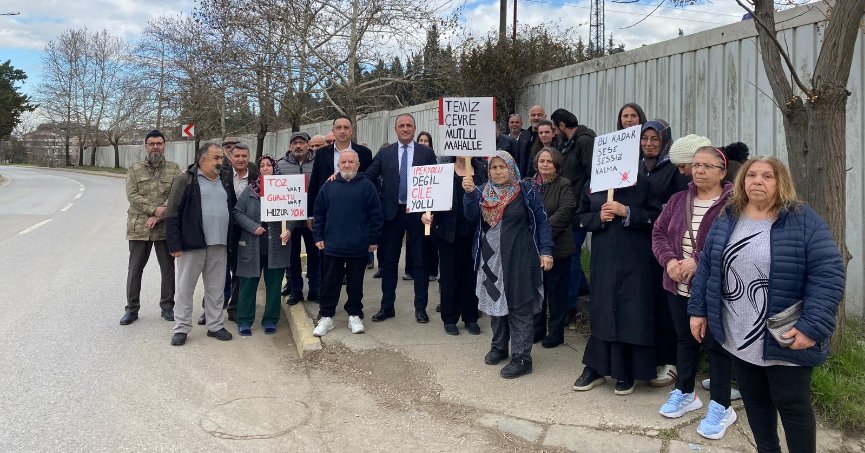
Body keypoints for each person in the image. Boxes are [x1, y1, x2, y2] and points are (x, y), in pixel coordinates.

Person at [689, 157, 844, 452]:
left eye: (767, 176)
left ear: (780, 182)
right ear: (742, 181)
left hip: (786, 336)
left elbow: (829, 273)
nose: (757, 181)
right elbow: (707, 265)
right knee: (756, 402)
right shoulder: (728, 216)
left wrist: (811, 325)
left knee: (792, 405)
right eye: (752, 175)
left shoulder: (801, 218)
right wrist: (698, 310)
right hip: (740, 334)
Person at [652, 146, 739, 439]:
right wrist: (670, 261)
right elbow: (659, 234)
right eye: (696, 164)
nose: (700, 170)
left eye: (707, 165)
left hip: (717, 289)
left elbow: (735, 244)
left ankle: (721, 405)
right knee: (685, 340)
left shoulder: (734, 205)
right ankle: (686, 392)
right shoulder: (678, 200)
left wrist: (698, 260)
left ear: (722, 172)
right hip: (678, 286)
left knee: (717, 346)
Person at [572, 139, 662, 395]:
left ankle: (628, 371)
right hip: (604, 259)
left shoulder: (643, 183)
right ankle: (597, 367)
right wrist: (597, 217)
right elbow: (578, 219)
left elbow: (657, 217)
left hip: (634, 259)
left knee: (631, 310)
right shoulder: (593, 186)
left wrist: (627, 211)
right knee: (602, 310)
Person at [464, 151, 554, 379]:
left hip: (519, 257)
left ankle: (522, 356)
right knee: (496, 301)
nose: (497, 171)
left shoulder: (525, 190)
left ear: (511, 168)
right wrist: (469, 195)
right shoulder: (483, 191)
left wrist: (546, 251)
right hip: (491, 258)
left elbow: (541, 220)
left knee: (519, 304)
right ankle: (499, 347)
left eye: (502, 166)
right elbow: (471, 216)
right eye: (493, 167)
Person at [365, 113, 438, 323]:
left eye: (409, 126)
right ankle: (387, 307)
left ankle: (420, 308)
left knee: (420, 262)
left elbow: (435, 181)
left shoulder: (426, 152)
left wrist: (431, 210)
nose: (405, 129)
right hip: (392, 214)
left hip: (418, 216)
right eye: (401, 126)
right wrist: (342, 177)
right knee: (388, 262)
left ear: (414, 129)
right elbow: (369, 175)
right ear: (396, 129)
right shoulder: (385, 153)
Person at [165, 142, 235, 346]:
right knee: (185, 288)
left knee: (216, 288)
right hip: (192, 244)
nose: (220, 162)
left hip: (219, 245)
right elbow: (172, 213)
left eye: (221, 158)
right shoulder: (185, 180)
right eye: (217, 158)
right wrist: (174, 244)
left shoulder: (224, 180)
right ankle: (181, 328)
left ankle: (215, 326)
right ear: (203, 159)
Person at [639, 118, 689, 387]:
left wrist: (651, 215)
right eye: (645, 139)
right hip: (640, 244)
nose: (649, 144)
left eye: (654, 139)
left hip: (667, 244)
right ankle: (652, 355)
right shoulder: (634, 167)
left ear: (664, 141)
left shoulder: (673, 169)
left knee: (667, 302)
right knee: (649, 302)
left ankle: (672, 361)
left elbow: (679, 208)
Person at [312, 150, 383, 337]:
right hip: (332, 246)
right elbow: (318, 213)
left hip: (358, 246)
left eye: (351, 162)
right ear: (338, 165)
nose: (347, 165)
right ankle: (326, 316)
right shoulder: (328, 187)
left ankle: (354, 314)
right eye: (343, 162)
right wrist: (318, 236)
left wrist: (374, 239)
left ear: (358, 165)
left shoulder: (367, 186)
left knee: (355, 283)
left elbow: (376, 215)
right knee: (329, 282)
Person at [121, 129, 182, 325]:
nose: (155, 147)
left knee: (167, 269)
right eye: (152, 143)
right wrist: (152, 210)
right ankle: (131, 309)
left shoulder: (174, 169)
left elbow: (175, 196)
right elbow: (132, 195)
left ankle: (167, 306)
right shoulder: (134, 169)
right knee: (135, 269)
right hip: (140, 227)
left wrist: (160, 213)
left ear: (164, 145)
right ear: (146, 146)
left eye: (159, 143)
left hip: (165, 228)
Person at [422, 156, 487, 335]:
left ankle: (471, 317)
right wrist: (426, 215)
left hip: (473, 233)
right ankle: (449, 318)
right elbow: (430, 196)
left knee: (471, 277)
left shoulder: (483, 169)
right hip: (447, 232)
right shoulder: (443, 169)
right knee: (449, 277)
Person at [233, 155, 293, 336]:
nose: (265, 168)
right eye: (262, 165)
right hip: (253, 245)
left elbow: (295, 212)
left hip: (276, 246)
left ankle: (270, 320)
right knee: (248, 284)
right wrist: (253, 227)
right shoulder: (251, 189)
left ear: (274, 168)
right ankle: (244, 320)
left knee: (274, 286)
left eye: (269, 165)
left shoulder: (285, 189)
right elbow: (237, 212)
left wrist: (289, 229)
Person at [526, 147, 577, 348]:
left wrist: (542, 232)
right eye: (541, 161)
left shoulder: (564, 184)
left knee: (556, 293)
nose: (545, 164)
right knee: (538, 291)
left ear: (556, 164)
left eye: (549, 161)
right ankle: (538, 329)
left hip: (558, 248)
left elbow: (566, 211)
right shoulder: (528, 184)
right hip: (533, 249)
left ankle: (556, 333)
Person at [551, 108, 596, 323]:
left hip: (578, 207)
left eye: (554, 127)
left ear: (561, 125)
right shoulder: (566, 143)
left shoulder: (585, 141)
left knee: (572, 254)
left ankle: (569, 307)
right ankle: (580, 289)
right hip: (568, 204)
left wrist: (582, 202)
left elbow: (590, 175)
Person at [277, 132, 320, 304]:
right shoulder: (280, 165)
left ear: (308, 145)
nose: (298, 146)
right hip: (290, 221)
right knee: (291, 256)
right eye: (294, 143)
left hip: (313, 218)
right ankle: (296, 290)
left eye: (301, 143)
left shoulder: (318, 162)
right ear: (289, 146)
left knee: (315, 254)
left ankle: (315, 289)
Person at [308, 115, 373, 225]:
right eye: (338, 128)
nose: (342, 131)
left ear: (351, 130)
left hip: (357, 208)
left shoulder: (364, 153)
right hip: (328, 209)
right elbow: (314, 183)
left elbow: (369, 180)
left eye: (346, 127)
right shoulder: (321, 153)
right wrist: (310, 214)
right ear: (333, 131)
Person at [514, 105, 546, 177]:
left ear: (545, 116)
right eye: (533, 115)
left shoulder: (548, 136)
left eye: (539, 115)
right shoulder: (523, 135)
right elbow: (518, 159)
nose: (536, 117)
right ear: (529, 117)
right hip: (524, 181)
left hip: (541, 180)